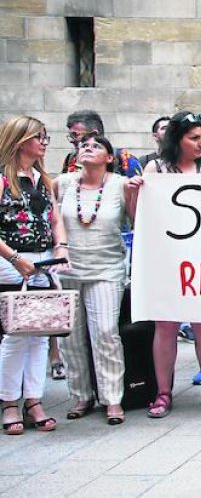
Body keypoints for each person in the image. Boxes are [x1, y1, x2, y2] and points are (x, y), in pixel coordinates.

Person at [142, 111, 201, 417]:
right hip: (167, 257)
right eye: (194, 137)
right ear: (176, 138)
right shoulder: (156, 168)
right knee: (166, 324)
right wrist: (133, 192)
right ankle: (163, 392)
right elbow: (138, 214)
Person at [56, 133, 142, 426]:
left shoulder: (119, 184)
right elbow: (52, 220)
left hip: (106, 268)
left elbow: (136, 220)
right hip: (68, 270)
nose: (87, 149)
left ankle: (113, 398)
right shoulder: (63, 184)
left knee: (105, 332)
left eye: (96, 146)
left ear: (109, 158)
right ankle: (80, 395)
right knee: (71, 336)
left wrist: (135, 194)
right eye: (84, 146)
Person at [1, 116, 69, 434]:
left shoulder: (43, 179)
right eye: (38, 137)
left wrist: (61, 247)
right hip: (12, 260)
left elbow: (54, 218)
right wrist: (14, 258)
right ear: (19, 140)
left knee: (41, 333)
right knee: (15, 334)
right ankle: (10, 401)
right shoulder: (4, 179)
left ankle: (34, 398)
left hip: (43, 260)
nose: (44, 142)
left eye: (45, 137)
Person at [62, 110, 142, 178]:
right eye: (70, 136)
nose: (71, 140)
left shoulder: (124, 159)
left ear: (94, 134)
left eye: (75, 135)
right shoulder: (71, 159)